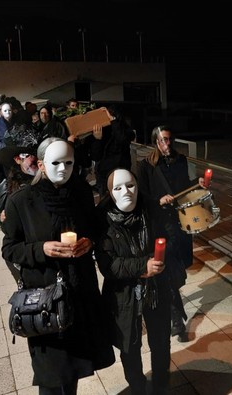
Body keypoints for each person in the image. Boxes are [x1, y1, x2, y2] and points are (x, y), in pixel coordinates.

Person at [1, 137, 115, 394]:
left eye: (69, 163)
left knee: (72, 369)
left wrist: (89, 242)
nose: (64, 169)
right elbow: (9, 249)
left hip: (78, 292)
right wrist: (42, 248)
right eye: (56, 163)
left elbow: (95, 228)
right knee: (51, 374)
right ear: (41, 165)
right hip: (45, 298)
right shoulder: (22, 201)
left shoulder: (81, 193)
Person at [95, 168, 171, 394]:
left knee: (160, 341)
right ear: (110, 192)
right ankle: (137, 387)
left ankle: (161, 385)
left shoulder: (150, 208)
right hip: (123, 295)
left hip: (156, 289)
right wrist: (142, 267)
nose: (126, 191)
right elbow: (109, 265)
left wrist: (163, 255)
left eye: (130, 185)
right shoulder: (102, 219)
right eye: (118, 188)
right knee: (130, 346)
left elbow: (169, 236)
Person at [136, 125, 205, 342]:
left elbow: (186, 187)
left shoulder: (181, 160)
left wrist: (198, 183)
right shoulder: (145, 166)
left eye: (169, 140)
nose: (167, 144)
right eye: (163, 140)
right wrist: (158, 201)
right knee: (166, 270)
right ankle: (177, 318)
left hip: (178, 223)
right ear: (156, 142)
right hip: (158, 224)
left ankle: (173, 308)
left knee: (175, 268)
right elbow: (142, 196)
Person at [0, 124, 40, 281]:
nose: (34, 158)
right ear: (17, 159)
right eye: (28, 155)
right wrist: (1, 217)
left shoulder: (45, 181)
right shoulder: (6, 187)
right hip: (22, 251)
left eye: (36, 154)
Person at [92, 106, 135, 197]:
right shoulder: (101, 131)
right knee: (106, 202)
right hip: (104, 176)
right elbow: (95, 156)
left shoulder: (124, 130)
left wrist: (113, 121)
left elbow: (122, 139)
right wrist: (98, 139)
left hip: (121, 171)